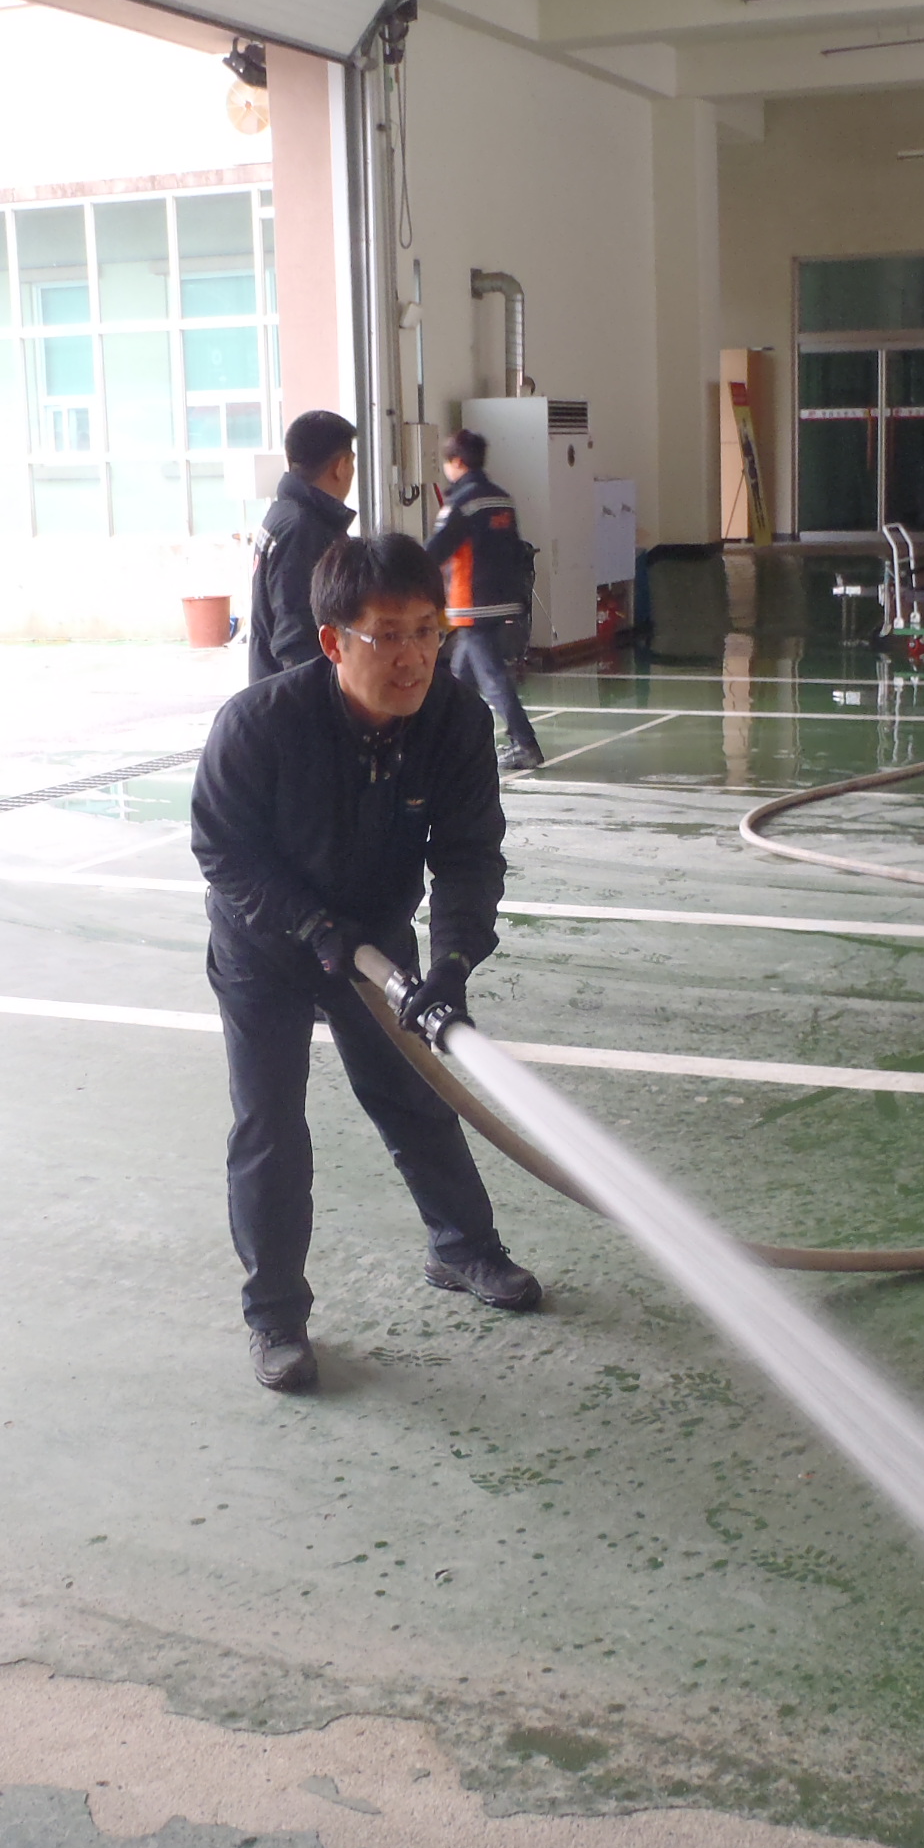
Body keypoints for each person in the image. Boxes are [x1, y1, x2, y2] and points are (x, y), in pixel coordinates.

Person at [190, 532, 545, 1393]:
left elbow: (468, 855)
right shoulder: (260, 725)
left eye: (427, 631)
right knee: (270, 1125)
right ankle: (275, 1315)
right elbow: (222, 850)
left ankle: (462, 1249)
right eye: (387, 636)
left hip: (377, 940)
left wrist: (452, 963)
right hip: (264, 944)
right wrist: (312, 927)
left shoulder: (456, 722)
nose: (413, 657)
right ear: (333, 641)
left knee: (415, 1095)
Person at [424, 428, 544, 770]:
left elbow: (436, 551)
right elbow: (514, 548)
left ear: (456, 462)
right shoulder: (502, 499)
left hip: (473, 603)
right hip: (504, 598)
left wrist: (408, 570)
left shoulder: (462, 503)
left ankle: (525, 743)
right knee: (460, 677)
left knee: (491, 677)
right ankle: (447, 742)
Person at [248, 410, 358, 681]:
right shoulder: (303, 529)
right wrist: (313, 697)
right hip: (295, 693)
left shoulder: (284, 513)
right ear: (341, 465)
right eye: (352, 462)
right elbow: (297, 637)